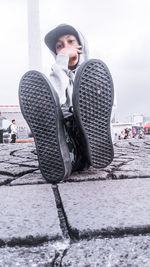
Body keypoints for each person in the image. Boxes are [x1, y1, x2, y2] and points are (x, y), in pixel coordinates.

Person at [19, 24, 114, 183]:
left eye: (70, 41)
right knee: (49, 102)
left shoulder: (97, 74)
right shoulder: (54, 76)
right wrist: (61, 63)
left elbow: (107, 110)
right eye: (59, 46)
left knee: (91, 95)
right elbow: (55, 101)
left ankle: (92, 148)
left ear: (81, 46)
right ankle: (64, 153)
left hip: (91, 133)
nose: (65, 48)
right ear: (55, 53)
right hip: (66, 134)